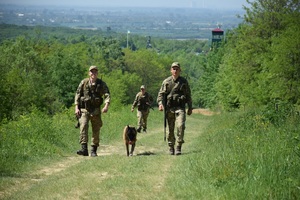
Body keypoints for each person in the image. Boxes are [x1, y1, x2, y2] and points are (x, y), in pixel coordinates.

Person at [157, 62, 193, 155]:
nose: (175, 70)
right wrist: (160, 104)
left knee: (180, 126)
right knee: (170, 129)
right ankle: (171, 147)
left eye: (177, 69)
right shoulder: (166, 82)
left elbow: (188, 95)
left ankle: (178, 146)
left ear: (180, 70)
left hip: (180, 108)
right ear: (171, 70)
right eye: (173, 69)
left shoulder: (184, 82)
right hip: (169, 108)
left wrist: (190, 107)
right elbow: (160, 95)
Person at [74, 66, 110, 157]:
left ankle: (93, 150)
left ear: (97, 73)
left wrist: (106, 106)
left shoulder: (101, 84)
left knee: (96, 129)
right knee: (83, 126)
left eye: (95, 72)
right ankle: (84, 149)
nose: (93, 74)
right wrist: (76, 108)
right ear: (89, 73)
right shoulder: (84, 82)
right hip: (84, 109)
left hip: (96, 110)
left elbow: (107, 94)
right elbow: (78, 94)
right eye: (91, 72)